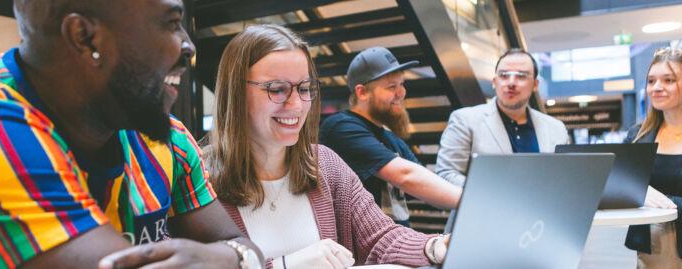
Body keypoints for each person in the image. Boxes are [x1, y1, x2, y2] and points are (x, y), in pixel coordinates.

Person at [0, 1, 263, 268]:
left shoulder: (165, 137)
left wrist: (232, 256)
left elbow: (242, 244)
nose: (188, 47)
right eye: (171, 23)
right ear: (85, 36)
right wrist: (233, 258)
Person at [203, 24, 450, 269]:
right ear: (235, 94)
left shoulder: (326, 164)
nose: (297, 105)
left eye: (304, 88)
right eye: (277, 89)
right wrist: (285, 265)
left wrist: (434, 246)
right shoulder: (196, 177)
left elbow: (380, 236)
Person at [319, 47, 462, 227]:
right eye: (391, 86)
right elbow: (405, 176)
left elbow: (423, 183)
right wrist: (470, 200)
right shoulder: (341, 127)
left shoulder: (390, 138)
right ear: (362, 92)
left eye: (402, 84)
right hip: (360, 251)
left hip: (393, 246)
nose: (401, 93)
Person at [435, 48, 569, 187]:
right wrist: (497, 193)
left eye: (521, 75)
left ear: (535, 85)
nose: (511, 83)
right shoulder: (465, 120)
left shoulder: (556, 128)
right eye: (504, 75)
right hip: (482, 207)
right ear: (494, 81)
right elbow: (445, 175)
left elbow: (563, 179)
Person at [624, 46, 682, 268]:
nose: (657, 88)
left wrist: (667, 202)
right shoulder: (638, 136)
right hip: (655, 250)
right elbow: (613, 181)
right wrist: (637, 190)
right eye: (651, 81)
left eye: (668, 80)